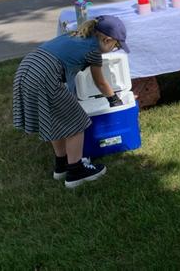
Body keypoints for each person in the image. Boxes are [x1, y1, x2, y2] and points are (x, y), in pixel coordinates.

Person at [12, 15, 129, 188]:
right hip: (45, 75)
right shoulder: (94, 51)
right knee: (76, 123)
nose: (115, 49)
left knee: (56, 120)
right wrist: (114, 99)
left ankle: (62, 164)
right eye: (116, 45)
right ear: (106, 39)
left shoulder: (76, 35)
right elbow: (101, 82)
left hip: (26, 69)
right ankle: (76, 171)